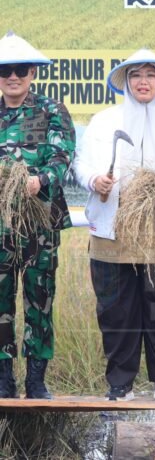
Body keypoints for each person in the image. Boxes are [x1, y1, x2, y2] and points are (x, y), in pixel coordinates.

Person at [74, 49, 155, 402]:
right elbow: (81, 164)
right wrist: (95, 181)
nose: (142, 82)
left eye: (150, 75)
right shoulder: (103, 121)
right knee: (116, 310)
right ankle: (120, 383)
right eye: (135, 75)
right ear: (125, 82)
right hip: (112, 230)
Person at [0, 31, 75, 399]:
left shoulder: (51, 110)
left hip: (40, 221)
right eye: (5, 70)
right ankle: (3, 379)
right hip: (0, 225)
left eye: (20, 69)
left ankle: (36, 379)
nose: (12, 77)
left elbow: (63, 157)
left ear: (32, 73)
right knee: (0, 301)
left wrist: (40, 179)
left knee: (39, 298)